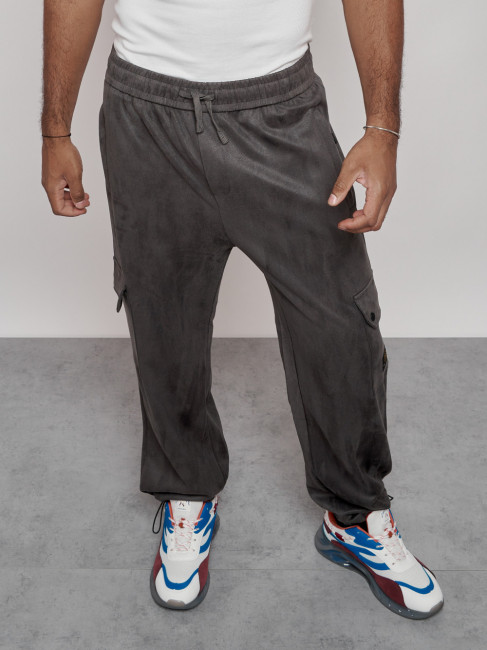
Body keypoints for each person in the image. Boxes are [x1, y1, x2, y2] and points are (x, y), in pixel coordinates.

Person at [40, 0, 444, 619]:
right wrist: (55, 132)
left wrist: (382, 128)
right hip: (145, 112)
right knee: (163, 318)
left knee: (339, 322)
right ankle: (187, 492)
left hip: (280, 106)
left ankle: (355, 516)